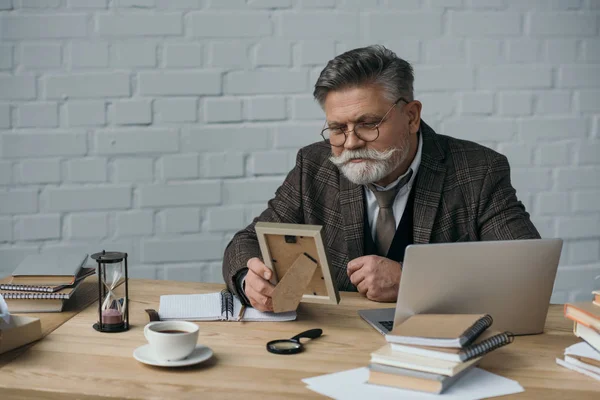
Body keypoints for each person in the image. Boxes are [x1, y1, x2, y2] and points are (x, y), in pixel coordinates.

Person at [222, 45, 540, 312]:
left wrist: (414, 280)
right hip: (337, 346)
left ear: (411, 116)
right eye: (337, 128)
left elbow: (527, 271)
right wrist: (248, 280)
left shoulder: (478, 171)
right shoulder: (314, 165)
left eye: (368, 123)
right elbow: (246, 242)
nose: (351, 142)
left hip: (441, 347)